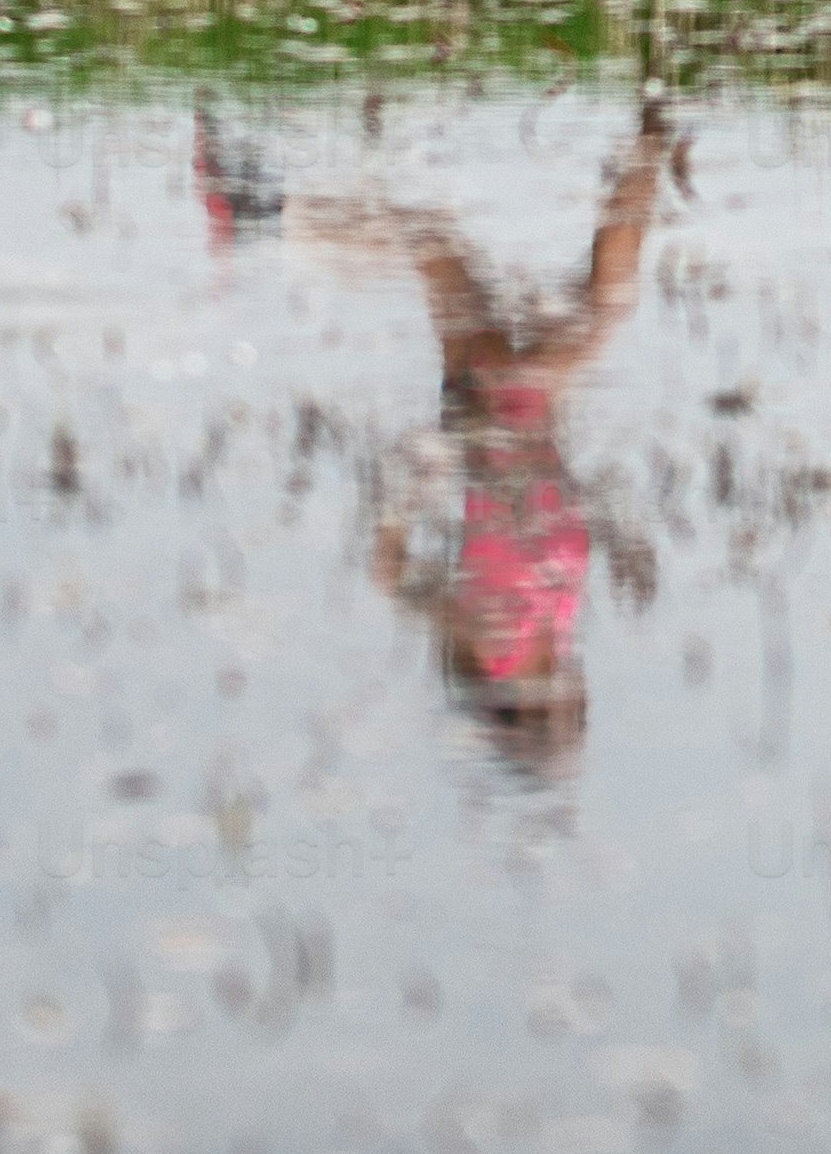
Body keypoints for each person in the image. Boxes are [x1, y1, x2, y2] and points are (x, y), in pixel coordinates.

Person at [207, 96, 685, 781]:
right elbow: (546, 515)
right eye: (577, 713)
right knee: (447, 248)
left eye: (562, 718)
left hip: (492, 404)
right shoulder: (551, 628)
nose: (577, 700)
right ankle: (656, 119)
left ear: (527, 713)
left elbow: (391, 570)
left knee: (571, 291)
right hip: (527, 411)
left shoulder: (489, 642)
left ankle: (658, 119)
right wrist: (622, 530)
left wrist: (423, 468)